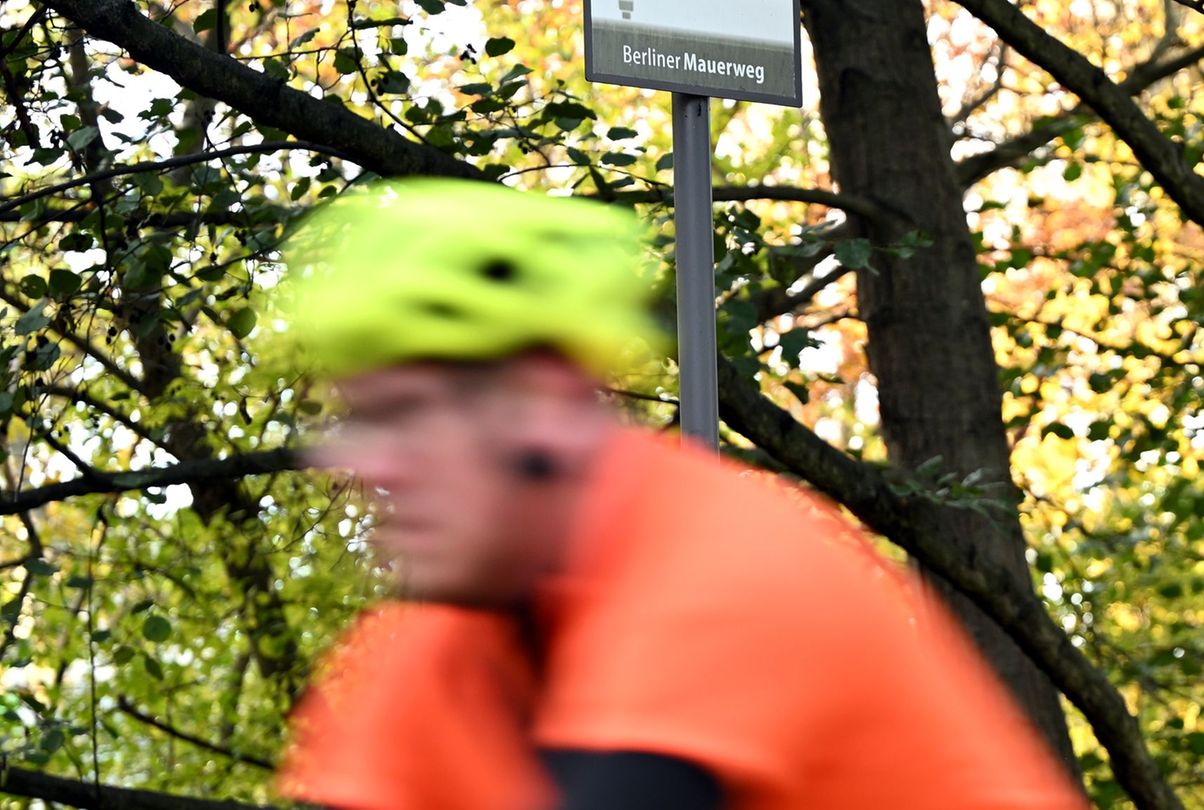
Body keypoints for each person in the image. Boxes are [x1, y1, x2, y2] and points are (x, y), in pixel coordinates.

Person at [274, 179, 1088, 810]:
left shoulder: (732, 567)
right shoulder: (434, 654)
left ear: (541, 402)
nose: (370, 465)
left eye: (406, 417)